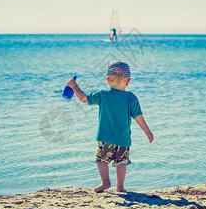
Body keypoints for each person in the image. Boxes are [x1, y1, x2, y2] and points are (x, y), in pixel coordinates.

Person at [66, 60, 154, 193]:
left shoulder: (103, 94)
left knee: (101, 160)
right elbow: (138, 117)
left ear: (107, 80)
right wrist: (147, 132)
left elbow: (84, 99)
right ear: (128, 81)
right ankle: (120, 186)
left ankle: (105, 181)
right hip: (123, 140)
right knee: (122, 163)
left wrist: (74, 86)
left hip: (105, 138)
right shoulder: (131, 98)